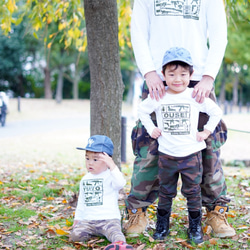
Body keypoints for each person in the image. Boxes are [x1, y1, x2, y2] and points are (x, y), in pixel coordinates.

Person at [124, 0, 236, 238]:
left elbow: (219, 35)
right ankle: (139, 211)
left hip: (198, 81)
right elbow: (138, 33)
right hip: (158, 79)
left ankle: (215, 210)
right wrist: (148, 71)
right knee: (149, 148)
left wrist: (208, 76)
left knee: (209, 149)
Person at [138, 47, 223, 244]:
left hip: (191, 155)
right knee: (166, 191)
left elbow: (216, 112)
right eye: (172, 74)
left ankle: (194, 227)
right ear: (163, 75)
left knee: (193, 192)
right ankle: (162, 225)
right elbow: (142, 111)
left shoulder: (195, 95)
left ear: (191, 75)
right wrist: (151, 129)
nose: (178, 79)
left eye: (183, 74)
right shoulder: (159, 96)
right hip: (167, 155)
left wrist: (206, 132)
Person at [70, 135, 133, 250]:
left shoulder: (110, 175)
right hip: (89, 220)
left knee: (115, 232)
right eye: (87, 158)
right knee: (75, 236)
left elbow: (120, 183)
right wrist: (77, 218)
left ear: (107, 160)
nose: (90, 163)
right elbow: (82, 201)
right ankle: (94, 233)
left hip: (109, 219)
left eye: (95, 159)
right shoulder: (85, 179)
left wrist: (112, 165)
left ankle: (119, 245)